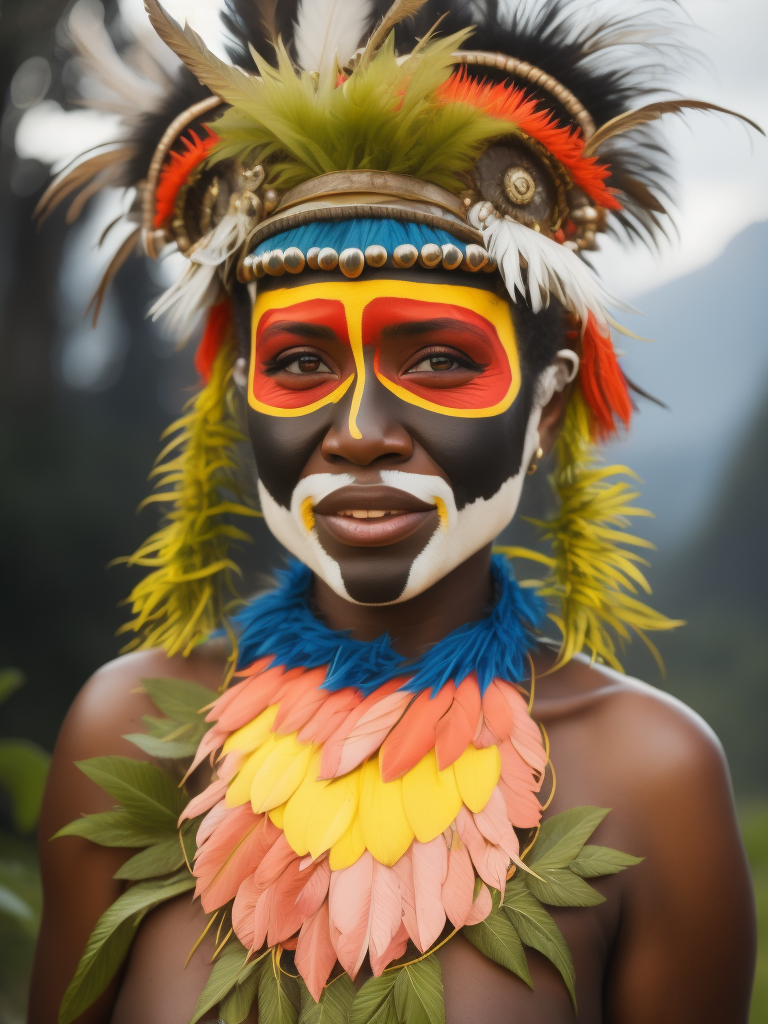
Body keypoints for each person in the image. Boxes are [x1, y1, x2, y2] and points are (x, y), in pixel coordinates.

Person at [28, 1, 758, 1022]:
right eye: (301, 362)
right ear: (243, 395)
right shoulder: (123, 728)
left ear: (546, 408)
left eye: (442, 360)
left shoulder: (652, 777)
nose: (361, 428)